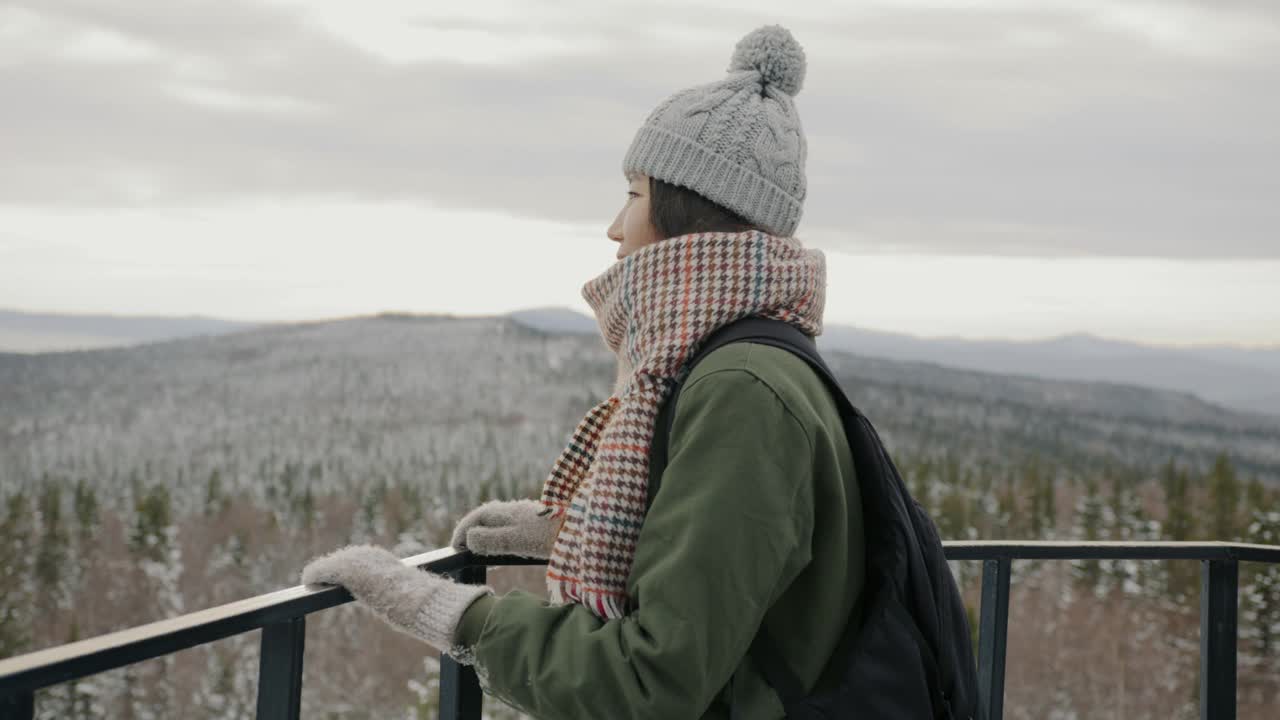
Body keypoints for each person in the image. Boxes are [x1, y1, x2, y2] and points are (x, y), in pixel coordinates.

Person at [301, 24, 865, 719]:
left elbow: (650, 681)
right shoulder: (747, 355)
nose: (613, 227)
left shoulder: (741, 390)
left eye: (633, 194)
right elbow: (740, 559)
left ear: (686, 208)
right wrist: (575, 529)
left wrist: (447, 611)